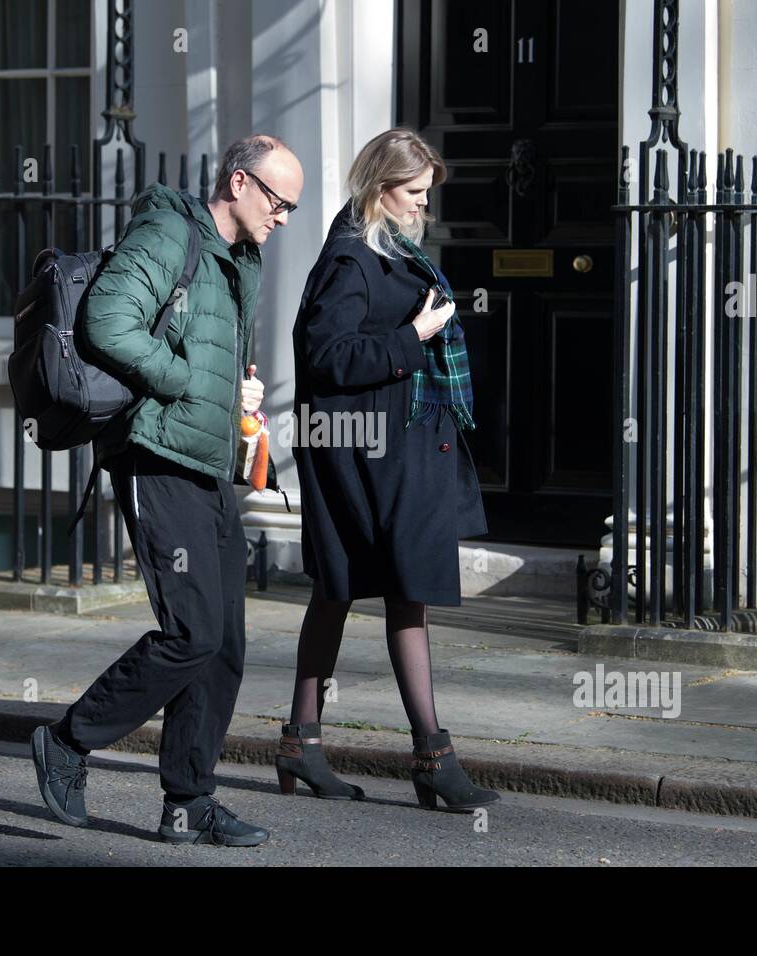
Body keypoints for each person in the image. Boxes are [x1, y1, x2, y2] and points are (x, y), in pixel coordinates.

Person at [31, 134, 304, 846]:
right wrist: (184, 381)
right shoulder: (167, 231)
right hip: (155, 455)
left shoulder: (239, 258)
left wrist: (232, 391)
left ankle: (189, 801)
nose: (283, 217)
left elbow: (199, 340)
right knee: (191, 633)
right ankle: (68, 740)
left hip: (206, 461)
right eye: (279, 201)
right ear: (240, 183)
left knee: (226, 645)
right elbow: (106, 321)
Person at [280, 128, 498, 812]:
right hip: (367, 456)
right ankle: (429, 755)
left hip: (400, 450)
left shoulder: (391, 249)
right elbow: (327, 357)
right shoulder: (350, 258)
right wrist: (416, 337)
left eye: (427, 196)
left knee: (373, 590)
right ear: (380, 189)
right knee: (377, 589)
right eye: (412, 194)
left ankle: (304, 743)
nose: (421, 209)